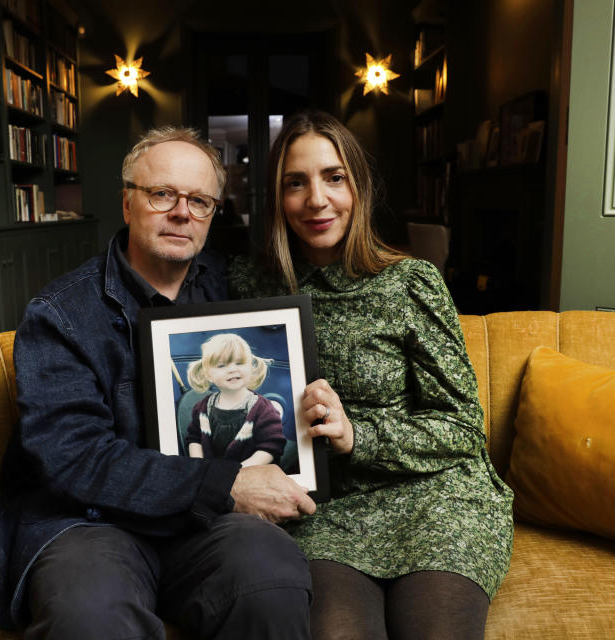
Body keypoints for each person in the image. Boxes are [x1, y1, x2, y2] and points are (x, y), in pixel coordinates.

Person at [0, 126, 316, 639]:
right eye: (162, 194)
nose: (182, 212)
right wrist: (224, 482)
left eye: (200, 200)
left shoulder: (235, 292)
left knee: (271, 577)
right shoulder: (60, 315)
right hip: (88, 523)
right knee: (90, 615)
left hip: (200, 525)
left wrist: (318, 403)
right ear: (127, 203)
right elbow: (74, 459)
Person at [230, 110, 514, 639]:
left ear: (357, 187)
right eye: (296, 182)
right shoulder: (248, 287)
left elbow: (463, 426)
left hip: (437, 500)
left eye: (334, 177)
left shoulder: (410, 283)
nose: (317, 199)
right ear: (277, 197)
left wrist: (357, 435)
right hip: (327, 510)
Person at [184, 332, 286, 466]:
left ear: (251, 367)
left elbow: (271, 447)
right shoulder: (203, 408)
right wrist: (199, 465)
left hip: (251, 475)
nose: (232, 369)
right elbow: (194, 439)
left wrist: (237, 472)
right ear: (208, 375)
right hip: (212, 476)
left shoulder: (262, 409)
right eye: (221, 366)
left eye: (239, 363)